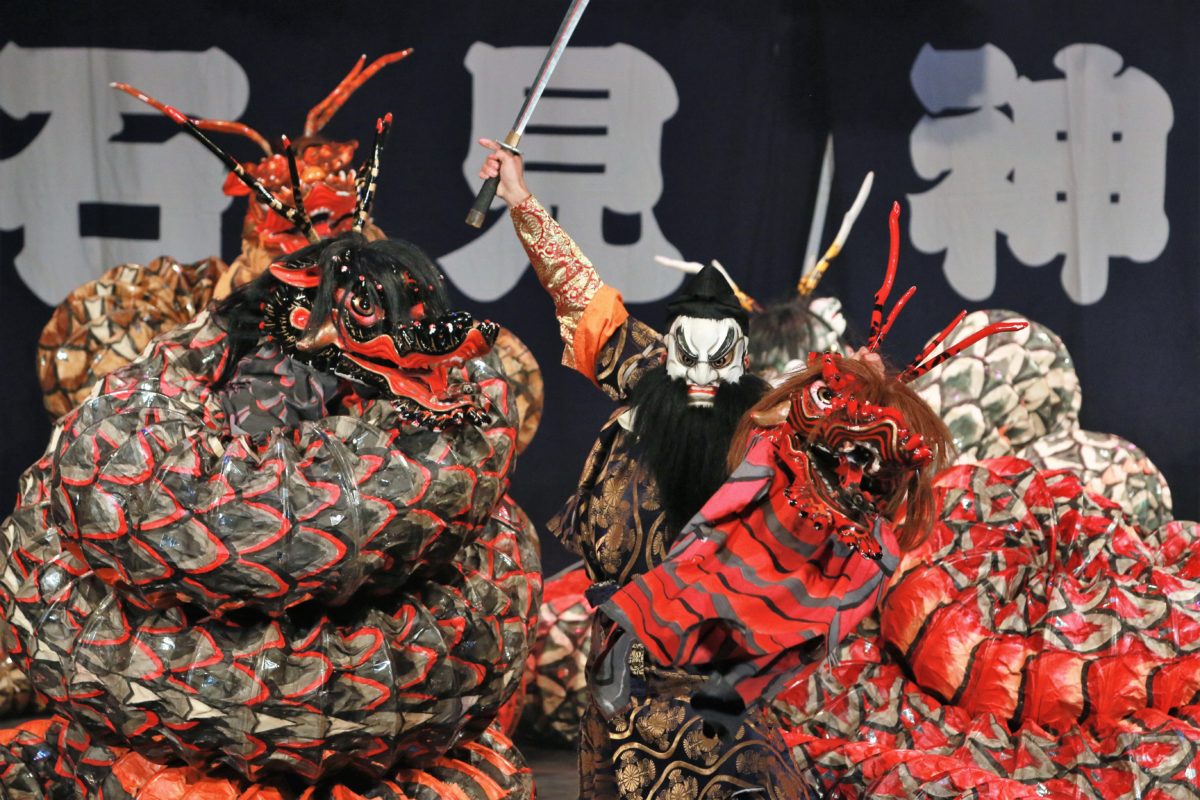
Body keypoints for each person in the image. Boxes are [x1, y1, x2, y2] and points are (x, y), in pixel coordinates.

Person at [480, 140, 785, 797]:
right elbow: (578, 290)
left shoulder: (767, 427)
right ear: (670, 350)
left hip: (715, 657)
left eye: (717, 363)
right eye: (688, 359)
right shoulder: (644, 373)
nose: (700, 378)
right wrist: (521, 201)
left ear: (740, 359)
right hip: (620, 642)